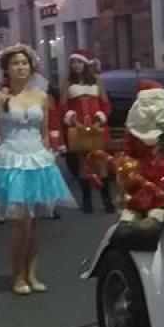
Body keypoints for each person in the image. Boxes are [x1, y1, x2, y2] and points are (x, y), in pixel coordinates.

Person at [0, 44, 74, 295]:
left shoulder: (41, 96)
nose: (20, 67)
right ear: (6, 69)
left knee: (35, 224)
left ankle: (32, 273)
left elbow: (44, 134)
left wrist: (50, 155)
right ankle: (17, 275)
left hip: (37, 161)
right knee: (21, 222)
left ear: (31, 67)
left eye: (24, 63)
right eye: (15, 63)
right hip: (11, 159)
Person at [60, 49, 113, 213]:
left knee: (101, 162)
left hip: (97, 127)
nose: (76, 65)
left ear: (85, 63)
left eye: (79, 62)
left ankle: (107, 200)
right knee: (84, 164)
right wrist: (74, 121)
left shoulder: (97, 81)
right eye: (73, 62)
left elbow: (105, 104)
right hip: (78, 128)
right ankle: (87, 201)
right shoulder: (67, 82)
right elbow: (62, 107)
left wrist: (99, 120)